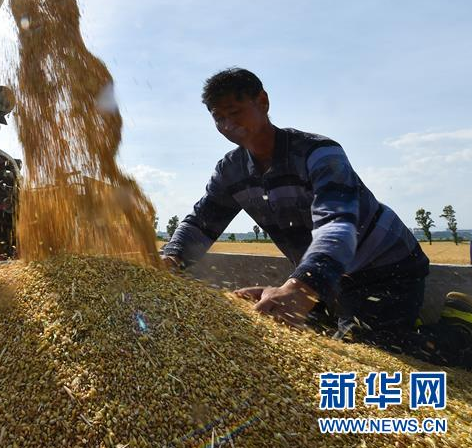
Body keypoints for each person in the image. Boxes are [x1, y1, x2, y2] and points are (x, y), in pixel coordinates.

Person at [161, 68, 472, 368]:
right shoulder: (230, 171)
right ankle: (359, 315)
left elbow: (337, 223)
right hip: (327, 275)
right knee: (288, 328)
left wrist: (301, 289)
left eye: (234, 111)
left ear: (263, 102)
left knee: (369, 351)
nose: (228, 124)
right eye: (218, 117)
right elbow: (201, 223)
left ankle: (459, 328)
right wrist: (171, 259)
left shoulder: (318, 153)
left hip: (385, 269)